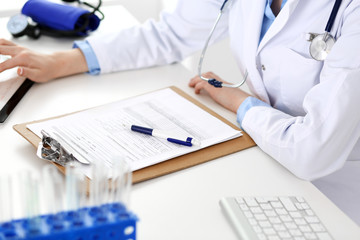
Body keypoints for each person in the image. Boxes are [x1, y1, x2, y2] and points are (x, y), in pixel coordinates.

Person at [1, 0, 360, 225]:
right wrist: (65, 60)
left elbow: (314, 151)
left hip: (337, 193)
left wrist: (241, 104)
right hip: (265, 158)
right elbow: (171, 34)